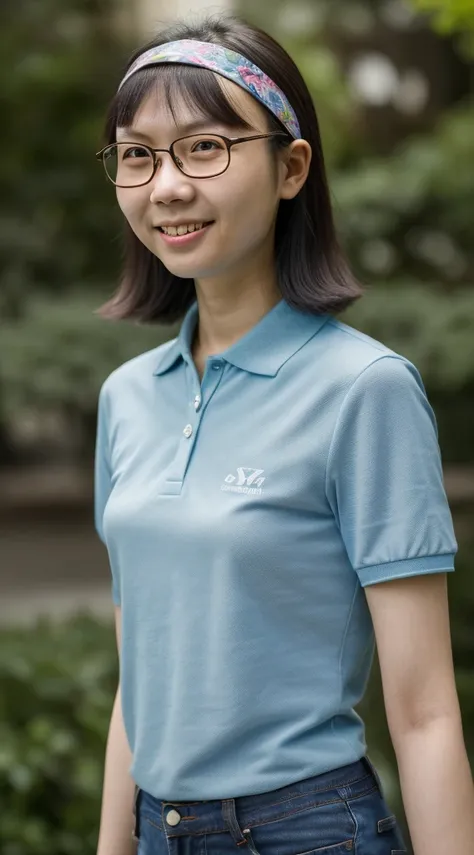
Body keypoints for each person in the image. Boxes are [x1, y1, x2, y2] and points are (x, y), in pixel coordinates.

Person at [93, 14, 474, 855]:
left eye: (204, 147)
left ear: (291, 166)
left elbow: (425, 711)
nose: (166, 186)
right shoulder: (126, 399)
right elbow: (139, 682)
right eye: (137, 153)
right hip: (160, 826)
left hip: (305, 830)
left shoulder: (364, 391)